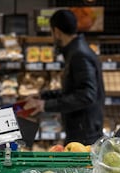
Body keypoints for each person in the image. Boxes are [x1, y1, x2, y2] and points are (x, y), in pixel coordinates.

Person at [24, 9, 105, 145]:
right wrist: (44, 96)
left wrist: (45, 105)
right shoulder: (76, 50)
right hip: (82, 129)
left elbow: (86, 95)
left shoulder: (79, 54)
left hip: (84, 133)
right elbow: (74, 90)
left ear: (56, 31)